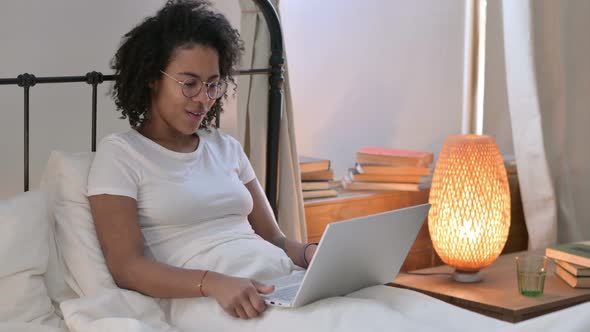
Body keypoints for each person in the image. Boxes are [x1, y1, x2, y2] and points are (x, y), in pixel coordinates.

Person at [87, 0, 316, 321]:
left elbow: (274, 238)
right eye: (189, 83)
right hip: (210, 298)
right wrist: (212, 283)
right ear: (153, 77)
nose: (204, 98)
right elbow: (127, 268)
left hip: (279, 281)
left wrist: (311, 254)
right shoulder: (121, 154)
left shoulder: (226, 148)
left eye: (213, 84)